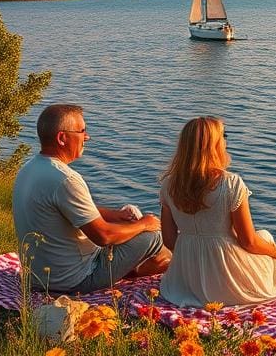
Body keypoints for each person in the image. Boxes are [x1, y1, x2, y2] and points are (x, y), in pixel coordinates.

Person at [12, 104, 171, 292]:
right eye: (82, 131)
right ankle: (179, 270)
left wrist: (114, 215)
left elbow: (66, 211)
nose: (86, 137)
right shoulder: (66, 180)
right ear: (62, 138)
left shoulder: (29, 168)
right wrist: (145, 224)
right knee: (153, 236)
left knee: (131, 228)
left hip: (38, 277)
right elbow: (103, 236)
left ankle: (156, 266)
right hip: (74, 280)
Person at [158, 116, 276, 307]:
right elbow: (248, 241)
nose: (225, 141)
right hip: (228, 280)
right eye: (223, 136)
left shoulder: (169, 185)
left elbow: (169, 240)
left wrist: (193, 258)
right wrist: (273, 251)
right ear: (215, 145)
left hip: (184, 282)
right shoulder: (231, 184)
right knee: (265, 237)